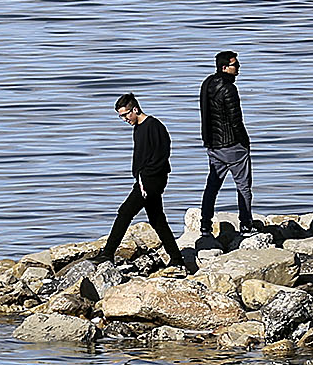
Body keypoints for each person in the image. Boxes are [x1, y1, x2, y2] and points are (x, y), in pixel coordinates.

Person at [98, 93, 193, 270]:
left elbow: (162, 154)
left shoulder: (154, 126)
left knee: (125, 212)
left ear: (135, 109)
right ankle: (177, 258)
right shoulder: (138, 127)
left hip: (151, 181)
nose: (125, 119)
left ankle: (107, 254)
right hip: (144, 180)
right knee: (157, 219)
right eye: (121, 117)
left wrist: (145, 179)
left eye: (126, 114)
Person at [199, 50, 256, 235]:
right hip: (232, 145)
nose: (238, 68)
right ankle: (246, 225)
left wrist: (207, 141)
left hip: (213, 145)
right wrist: (245, 142)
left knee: (212, 186)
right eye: (235, 65)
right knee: (243, 187)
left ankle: (205, 225)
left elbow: (205, 115)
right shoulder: (228, 88)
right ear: (224, 67)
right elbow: (235, 120)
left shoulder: (207, 83)